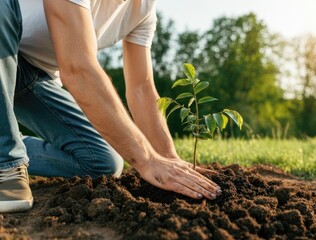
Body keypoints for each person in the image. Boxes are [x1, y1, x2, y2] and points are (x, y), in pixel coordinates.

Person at [0, 0, 221, 213]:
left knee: (102, 162)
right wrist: (146, 159)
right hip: (6, 50)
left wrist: (167, 159)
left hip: (34, 78)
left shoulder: (143, 10)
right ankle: (7, 166)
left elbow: (141, 88)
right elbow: (77, 69)